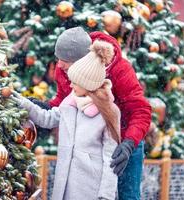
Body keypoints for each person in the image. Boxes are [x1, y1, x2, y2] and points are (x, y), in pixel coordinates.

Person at [34, 27, 152, 200]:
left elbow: (140, 110)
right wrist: (44, 107)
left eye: (65, 60)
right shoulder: (65, 71)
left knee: (128, 195)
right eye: (58, 59)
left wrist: (128, 143)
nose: (59, 65)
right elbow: (65, 101)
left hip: (126, 142)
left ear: (83, 60)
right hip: (94, 145)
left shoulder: (120, 70)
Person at [13, 40, 120, 200]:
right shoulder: (70, 103)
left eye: (75, 81)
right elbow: (47, 118)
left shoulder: (109, 112)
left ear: (88, 84)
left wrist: (106, 195)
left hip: (91, 188)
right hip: (65, 182)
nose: (71, 85)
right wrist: (22, 102)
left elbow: (110, 158)